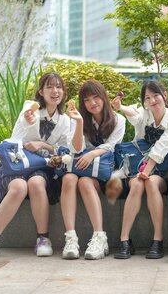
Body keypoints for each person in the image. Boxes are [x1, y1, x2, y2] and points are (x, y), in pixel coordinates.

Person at [0, 73, 70, 260]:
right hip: (16, 162)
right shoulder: (30, 108)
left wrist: (43, 145)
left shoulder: (65, 120)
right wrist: (29, 120)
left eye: (59, 87)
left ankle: (43, 238)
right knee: (19, 186)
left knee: (37, 183)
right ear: (41, 91)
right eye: (50, 87)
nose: (55, 91)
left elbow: (63, 150)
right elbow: (27, 120)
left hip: (41, 165)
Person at [111, 80, 168, 260]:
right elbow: (135, 115)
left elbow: (162, 148)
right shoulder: (145, 113)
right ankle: (124, 239)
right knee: (136, 185)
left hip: (162, 168)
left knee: (149, 183)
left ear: (164, 95)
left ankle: (158, 239)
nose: (152, 101)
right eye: (147, 98)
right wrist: (121, 107)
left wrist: (146, 171)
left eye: (156, 95)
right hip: (140, 165)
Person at [61, 79, 126, 260]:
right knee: (69, 179)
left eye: (96, 97)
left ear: (104, 98)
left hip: (104, 173)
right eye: (87, 100)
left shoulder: (118, 119)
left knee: (85, 182)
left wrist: (92, 154)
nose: (92, 103)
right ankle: (71, 238)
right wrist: (80, 123)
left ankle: (99, 236)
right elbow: (75, 149)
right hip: (81, 169)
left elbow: (112, 146)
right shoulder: (77, 119)